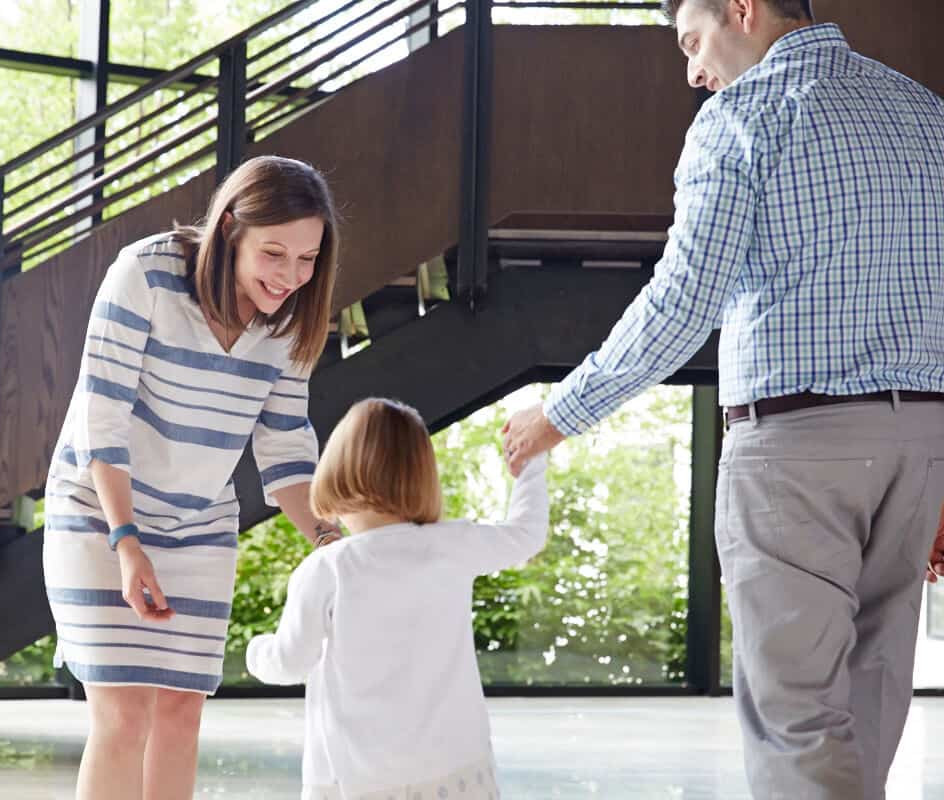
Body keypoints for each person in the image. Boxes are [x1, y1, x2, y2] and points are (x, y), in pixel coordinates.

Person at [501, 1, 944, 797]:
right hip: (921, 444)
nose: (693, 70)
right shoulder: (923, 112)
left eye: (693, 40)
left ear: (741, 7)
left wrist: (558, 413)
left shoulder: (741, 118)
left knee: (797, 715)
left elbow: (683, 303)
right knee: (872, 699)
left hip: (794, 449)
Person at [43, 155, 345, 800]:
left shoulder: (290, 322)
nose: (291, 276)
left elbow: (286, 448)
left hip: (201, 522)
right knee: (123, 716)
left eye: (307, 259)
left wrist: (334, 542)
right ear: (231, 225)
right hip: (98, 512)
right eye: (274, 253)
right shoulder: (147, 274)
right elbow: (104, 416)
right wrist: (127, 542)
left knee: (181, 714)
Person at [247, 397, 550, 799]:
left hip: (355, 780)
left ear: (337, 474)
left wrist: (257, 651)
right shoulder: (452, 545)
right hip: (457, 773)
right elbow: (526, 534)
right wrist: (532, 461)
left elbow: (289, 662)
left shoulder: (329, 569)